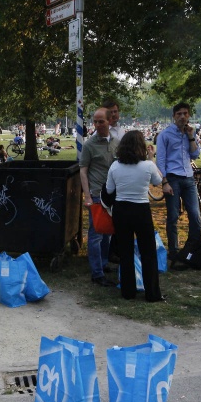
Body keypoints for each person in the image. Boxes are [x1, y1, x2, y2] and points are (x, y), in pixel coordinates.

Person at [105, 131, 165, 302]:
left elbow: (109, 190)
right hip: (141, 209)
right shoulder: (148, 166)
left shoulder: (115, 167)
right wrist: (152, 158)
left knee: (125, 252)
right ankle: (152, 293)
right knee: (148, 252)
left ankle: (128, 291)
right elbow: (157, 181)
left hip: (121, 209)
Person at [156, 102, 201, 261]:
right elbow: (160, 160)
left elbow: (195, 155)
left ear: (189, 115)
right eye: (179, 114)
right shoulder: (165, 135)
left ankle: (194, 248)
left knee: (195, 215)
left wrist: (190, 137)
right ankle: (174, 250)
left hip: (189, 178)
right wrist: (165, 182)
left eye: (185, 113)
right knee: (173, 216)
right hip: (173, 178)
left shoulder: (191, 133)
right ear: (174, 116)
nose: (182, 117)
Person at [79, 107, 118, 287]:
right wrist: (87, 196)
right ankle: (97, 273)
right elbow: (83, 171)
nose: (97, 125)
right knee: (95, 235)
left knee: (107, 233)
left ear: (110, 121)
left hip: (112, 195)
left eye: (100, 121)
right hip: (96, 195)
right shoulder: (89, 145)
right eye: (95, 121)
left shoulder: (117, 143)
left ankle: (103, 263)